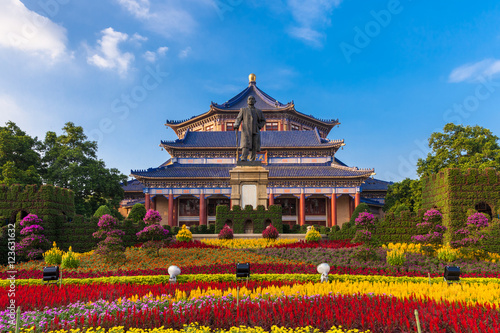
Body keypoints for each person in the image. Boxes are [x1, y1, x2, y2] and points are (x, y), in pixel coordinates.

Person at [234, 95, 266, 161]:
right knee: (245, 145)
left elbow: (263, 120)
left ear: (255, 101)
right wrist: (236, 124)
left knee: (254, 145)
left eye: (252, 99)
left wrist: (259, 126)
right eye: (249, 99)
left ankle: (252, 159)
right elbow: (238, 119)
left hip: (255, 130)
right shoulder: (243, 110)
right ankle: (244, 158)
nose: (251, 100)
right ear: (247, 101)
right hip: (246, 130)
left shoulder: (258, 111)